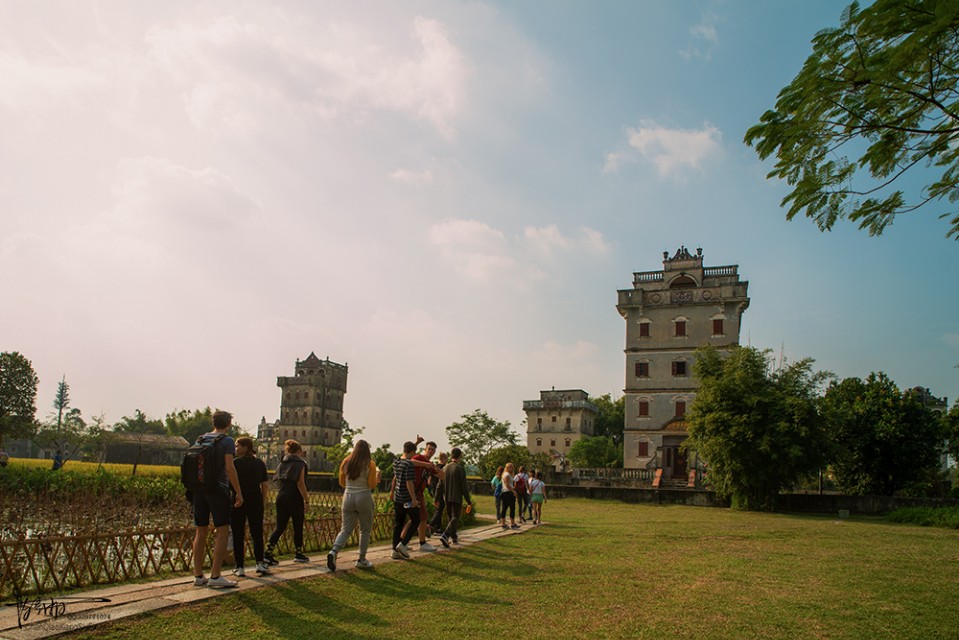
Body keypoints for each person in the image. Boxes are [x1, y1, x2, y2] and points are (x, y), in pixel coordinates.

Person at [192, 410, 243, 588]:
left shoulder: (200, 439)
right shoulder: (227, 441)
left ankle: (198, 575)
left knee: (200, 531)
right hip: (217, 489)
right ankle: (215, 575)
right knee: (222, 531)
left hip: (199, 489)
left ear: (213, 422)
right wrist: (238, 491)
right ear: (228, 424)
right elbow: (229, 467)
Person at [328, 439, 380, 571]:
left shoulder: (346, 462)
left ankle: (334, 551)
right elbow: (372, 485)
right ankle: (361, 559)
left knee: (345, 529)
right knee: (365, 530)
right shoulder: (370, 464)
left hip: (348, 496)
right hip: (363, 496)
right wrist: (377, 479)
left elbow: (341, 482)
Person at [264, 439, 310, 565]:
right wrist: (306, 500)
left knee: (280, 526)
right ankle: (298, 553)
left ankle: (268, 553)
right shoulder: (301, 464)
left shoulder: (282, 462)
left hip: (282, 495)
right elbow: (300, 483)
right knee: (297, 526)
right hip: (295, 497)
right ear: (299, 451)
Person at [230, 436, 270, 577]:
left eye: (237, 446)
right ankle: (259, 562)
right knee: (257, 532)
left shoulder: (234, 464)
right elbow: (264, 485)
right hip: (255, 499)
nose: (235, 448)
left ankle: (239, 566)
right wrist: (263, 501)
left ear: (245, 447)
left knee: (238, 533)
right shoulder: (259, 463)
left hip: (237, 499)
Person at [405, 440, 439, 553]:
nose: (431, 451)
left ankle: (402, 541)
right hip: (414, 492)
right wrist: (425, 464)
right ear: (425, 449)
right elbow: (409, 461)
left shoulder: (430, 464)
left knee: (415, 518)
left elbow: (441, 476)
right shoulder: (419, 458)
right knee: (423, 517)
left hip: (419, 492)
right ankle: (422, 542)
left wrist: (439, 470)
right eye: (429, 449)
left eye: (433, 450)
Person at [390, 441, 420, 559]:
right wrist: (414, 499)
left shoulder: (396, 461)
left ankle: (394, 550)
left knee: (398, 524)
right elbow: (409, 483)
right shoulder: (408, 464)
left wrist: (392, 492)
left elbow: (395, 479)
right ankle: (403, 544)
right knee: (416, 520)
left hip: (398, 497)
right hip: (407, 498)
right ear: (412, 452)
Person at [438, 447, 473, 548]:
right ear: (460, 456)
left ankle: (454, 537)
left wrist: (437, 498)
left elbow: (440, 485)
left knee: (451, 518)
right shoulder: (460, 469)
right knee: (455, 517)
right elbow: (464, 487)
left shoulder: (445, 468)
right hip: (456, 497)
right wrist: (468, 500)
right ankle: (446, 534)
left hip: (447, 497)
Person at [426, 451, 449, 536]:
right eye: (446, 459)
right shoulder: (443, 468)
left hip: (432, 489)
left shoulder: (434, 467)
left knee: (438, 508)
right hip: (438, 490)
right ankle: (430, 525)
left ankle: (438, 528)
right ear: (443, 459)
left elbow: (428, 480)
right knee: (440, 508)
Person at [500, 462, 518, 529]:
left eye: (511, 467)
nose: (511, 469)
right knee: (511, 508)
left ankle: (504, 523)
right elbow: (507, 485)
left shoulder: (507, 474)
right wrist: (513, 491)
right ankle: (512, 523)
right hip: (508, 492)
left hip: (506, 492)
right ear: (506, 468)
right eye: (509, 467)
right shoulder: (507, 475)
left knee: (505, 508)